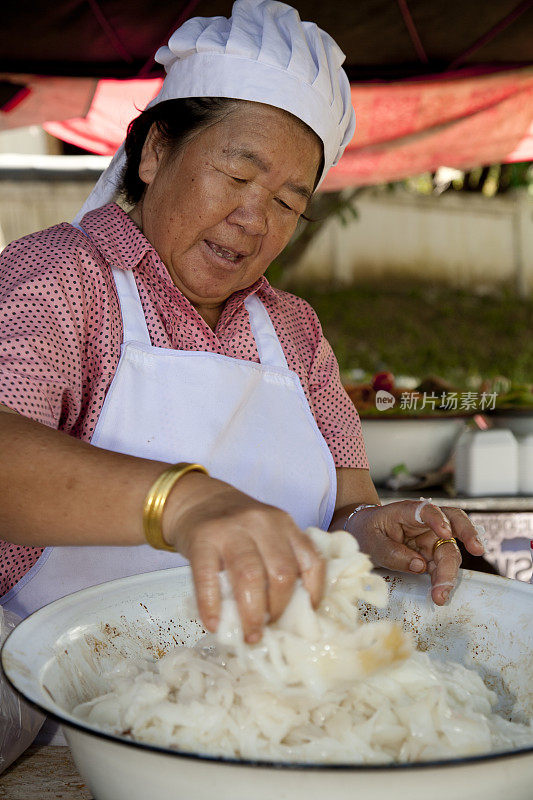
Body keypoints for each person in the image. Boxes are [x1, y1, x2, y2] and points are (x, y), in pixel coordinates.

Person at [0, 0, 484, 647]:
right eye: (236, 174)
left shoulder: (293, 332)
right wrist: (183, 502)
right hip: (61, 688)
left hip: (259, 687)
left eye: (288, 202)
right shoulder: (62, 277)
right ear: (154, 151)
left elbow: (347, 507)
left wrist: (376, 528)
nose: (254, 219)